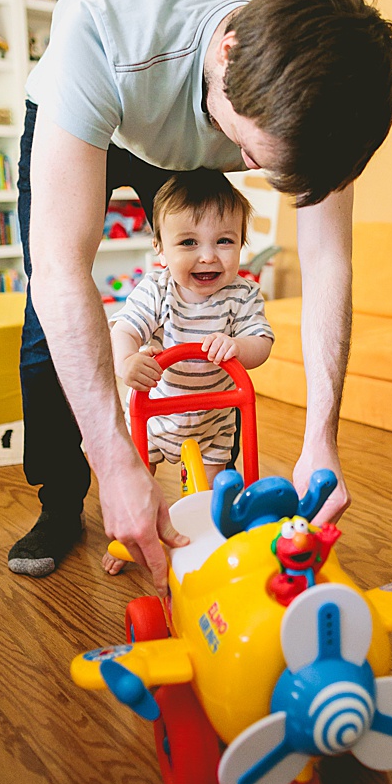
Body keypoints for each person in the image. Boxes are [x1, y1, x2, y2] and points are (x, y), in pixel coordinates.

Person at [8, 0, 392, 592]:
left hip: (191, 120)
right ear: (226, 55)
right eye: (250, 155)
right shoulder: (104, 29)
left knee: (205, 279)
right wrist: (114, 464)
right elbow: (61, 268)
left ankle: (197, 474)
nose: (246, 168)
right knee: (42, 320)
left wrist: (320, 441)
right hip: (98, 111)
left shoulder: (327, 97)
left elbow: (328, 260)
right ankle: (61, 500)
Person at [101, 171, 274, 575]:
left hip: (214, 420)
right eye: (189, 243)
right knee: (137, 485)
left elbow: (262, 343)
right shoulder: (158, 289)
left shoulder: (243, 294)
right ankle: (129, 538)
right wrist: (127, 362)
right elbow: (124, 328)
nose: (208, 256)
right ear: (160, 248)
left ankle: (206, 544)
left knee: (211, 497)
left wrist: (239, 346)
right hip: (156, 416)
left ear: (242, 243)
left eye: (224, 241)